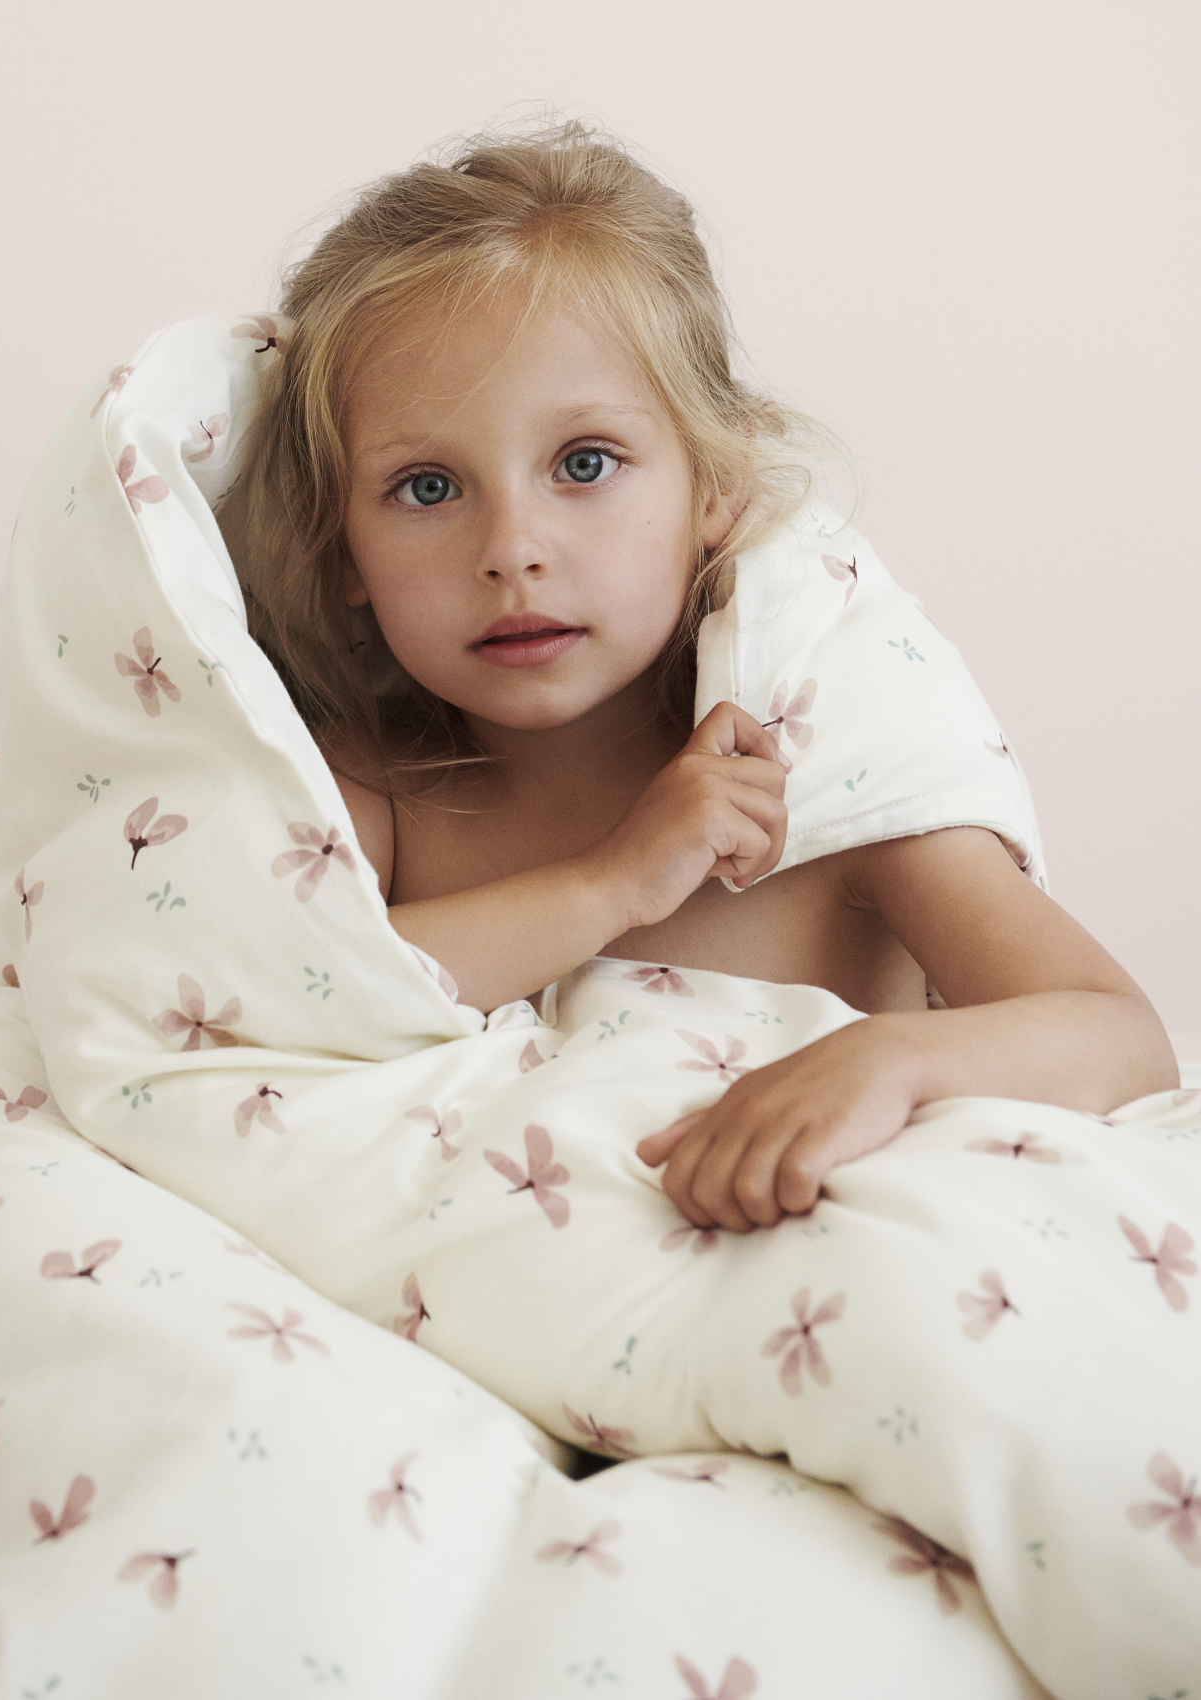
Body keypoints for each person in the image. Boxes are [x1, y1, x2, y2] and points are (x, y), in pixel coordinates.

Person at [217, 121, 1176, 1239]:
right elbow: (281, 998)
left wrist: (893, 1060)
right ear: (341, 548)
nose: (511, 548)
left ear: (713, 485)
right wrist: (610, 885)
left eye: (584, 463)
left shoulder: (818, 775)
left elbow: (1119, 1036)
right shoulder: (368, 790)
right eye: (426, 487)